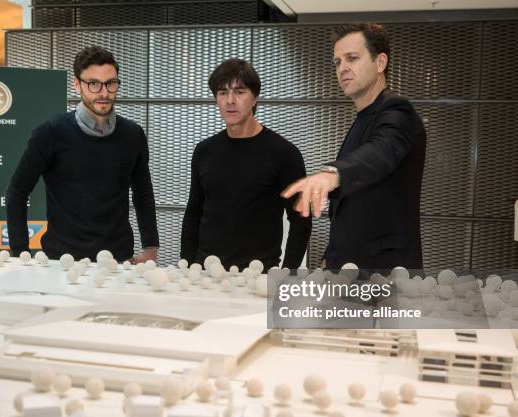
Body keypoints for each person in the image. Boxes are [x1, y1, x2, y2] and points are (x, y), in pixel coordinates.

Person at [282, 23, 426, 271]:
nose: (343, 68)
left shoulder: (397, 111)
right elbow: (354, 204)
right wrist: (331, 256)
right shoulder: (363, 118)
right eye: (337, 62)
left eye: (352, 58)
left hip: (386, 276)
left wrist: (332, 173)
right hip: (351, 271)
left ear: (380, 63)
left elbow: (381, 153)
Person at [6, 46, 159, 262]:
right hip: (61, 262)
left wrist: (151, 247)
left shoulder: (133, 134)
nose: (104, 92)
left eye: (111, 83)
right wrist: (20, 254)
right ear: (77, 84)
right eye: (93, 84)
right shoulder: (50, 133)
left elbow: (143, 194)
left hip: (119, 261)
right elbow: (17, 191)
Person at [180, 58, 311, 271]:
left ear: (255, 98)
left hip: (258, 274)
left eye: (239, 92)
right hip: (205, 272)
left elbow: (300, 221)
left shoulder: (284, 153)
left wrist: (288, 274)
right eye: (222, 92)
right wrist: (185, 264)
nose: (230, 100)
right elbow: (193, 212)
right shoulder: (204, 151)